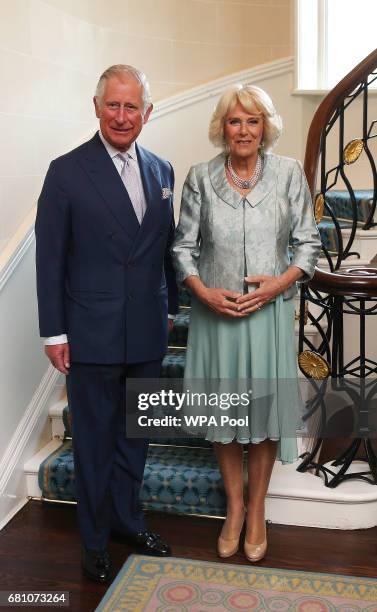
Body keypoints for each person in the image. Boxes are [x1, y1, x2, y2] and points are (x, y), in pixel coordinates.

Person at [35, 64, 178, 583]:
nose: (122, 116)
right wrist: (55, 332)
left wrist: (169, 308)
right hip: (89, 333)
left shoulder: (163, 169)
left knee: (137, 436)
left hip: (146, 330)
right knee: (94, 444)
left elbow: (164, 245)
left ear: (147, 112)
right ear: (96, 107)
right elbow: (50, 258)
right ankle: (94, 541)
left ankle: (127, 521)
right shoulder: (66, 171)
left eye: (132, 106)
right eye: (113, 105)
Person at [172, 84, 321, 562]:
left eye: (252, 121)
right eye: (235, 121)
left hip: (269, 315)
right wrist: (201, 291)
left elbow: (307, 245)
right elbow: (181, 248)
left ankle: (257, 509)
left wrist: (280, 284)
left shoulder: (289, 174)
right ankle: (234, 508)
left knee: (261, 414)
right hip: (216, 317)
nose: (243, 130)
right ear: (223, 127)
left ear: (265, 127)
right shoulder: (199, 177)